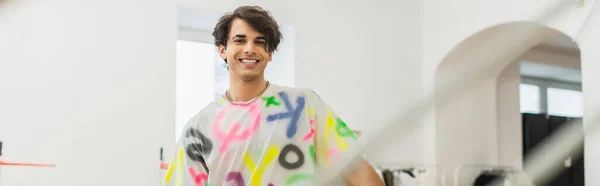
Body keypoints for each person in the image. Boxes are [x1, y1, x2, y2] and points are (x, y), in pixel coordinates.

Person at [162, 5, 384, 186]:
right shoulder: (197, 129)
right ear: (222, 50)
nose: (250, 48)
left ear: (269, 53)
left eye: (260, 42)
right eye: (240, 40)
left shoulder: (304, 106)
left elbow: (359, 173)